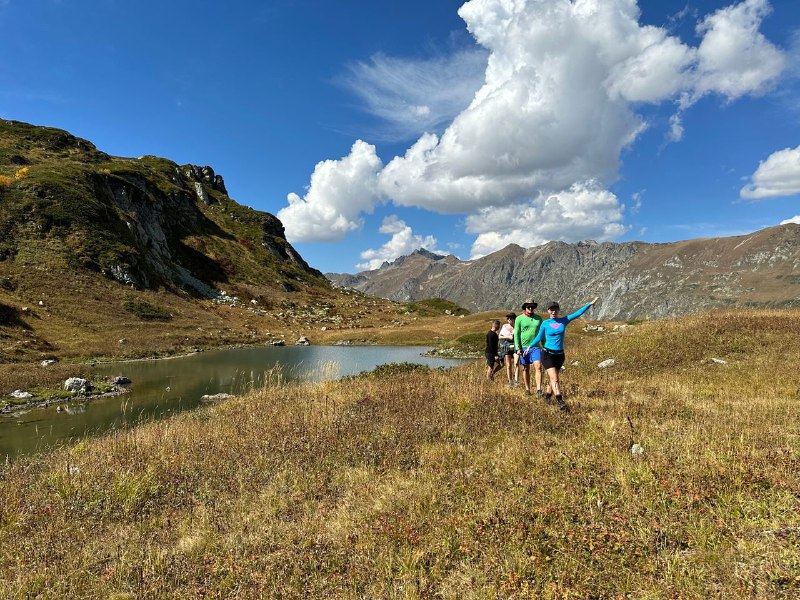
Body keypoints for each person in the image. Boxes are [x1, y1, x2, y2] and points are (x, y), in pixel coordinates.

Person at [525, 297, 599, 411]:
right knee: (555, 379)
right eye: (551, 309)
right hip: (547, 354)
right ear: (548, 311)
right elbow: (539, 337)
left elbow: (577, 314)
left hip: (559, 355)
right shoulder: (545, 323)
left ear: (558, 310)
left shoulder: (564, 320)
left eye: (555, 309)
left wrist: (590, 304)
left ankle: (548, 397)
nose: (553, 311)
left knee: (552, 379)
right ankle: (561, 403)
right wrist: (530, 346)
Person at [513, 300, 543, 396]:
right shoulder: (519, 319)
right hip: (523, 347)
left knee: (538, 366)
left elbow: (542, 333)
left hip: (535, 347)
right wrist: (518, 348)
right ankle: (527, 389)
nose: (530, 308)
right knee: (526, 368)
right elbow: (516, 334)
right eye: (528, 307)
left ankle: (539, 390)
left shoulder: (538, 319)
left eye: (532, 307)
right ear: (525, 307)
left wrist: (545, 345)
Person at [499, 312, 517, 386]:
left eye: (511, 318)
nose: (509, 319)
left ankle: (516, 381)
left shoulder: (517, 326)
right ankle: (510, 381)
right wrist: (507, 337)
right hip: (506, 346)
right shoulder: (505, 326)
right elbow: (499, 336)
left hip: (516, 346)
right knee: (508, 365)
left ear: (514, 319)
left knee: (516, 363)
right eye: (508, 318)